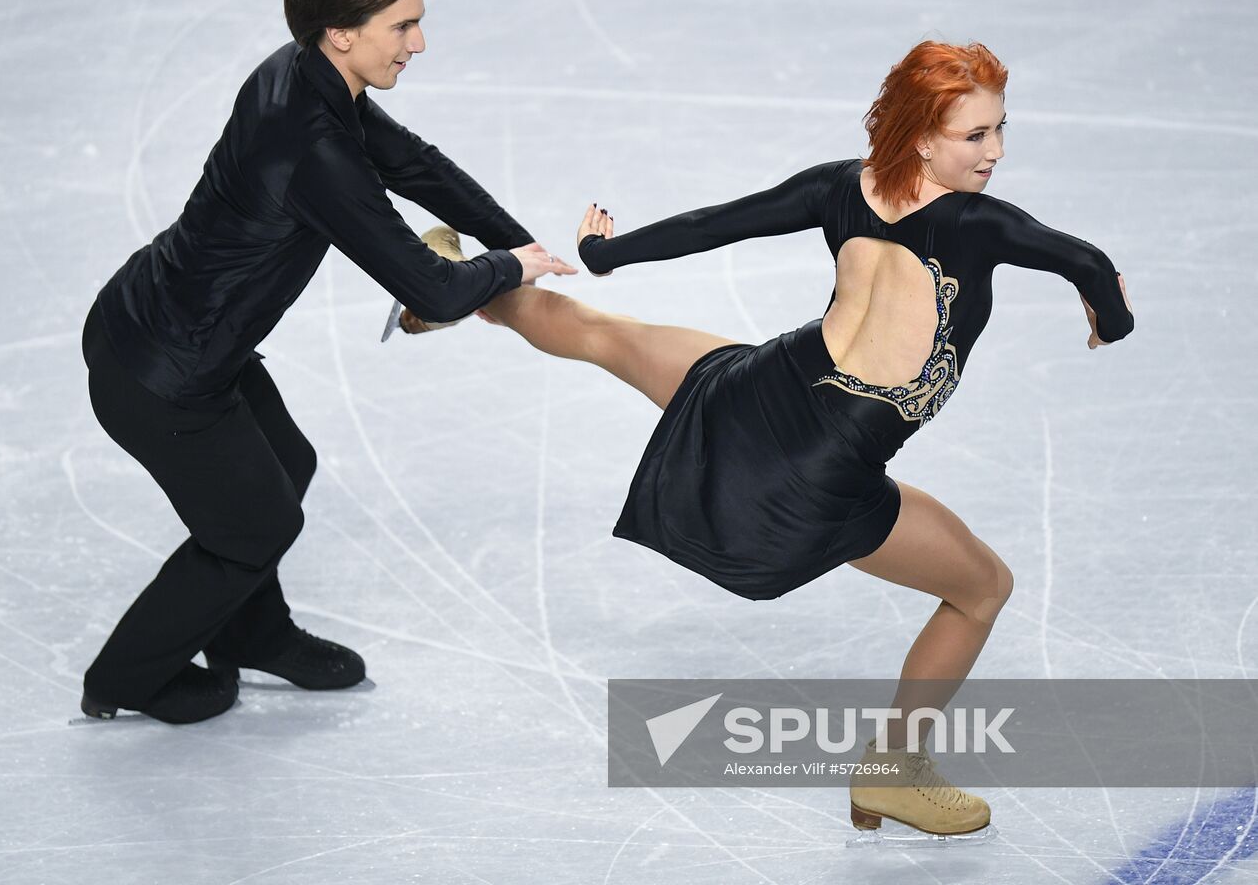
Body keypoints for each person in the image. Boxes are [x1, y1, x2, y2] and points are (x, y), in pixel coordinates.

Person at [408, 40, 1134, 835]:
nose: (995, 151)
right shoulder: (983, 223)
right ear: (924, 137)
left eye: (1000, 130)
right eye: (975, 136)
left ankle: (449, 290)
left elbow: (718, 224)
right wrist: (1112, 319)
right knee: (981, 588)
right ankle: (891, 772)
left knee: (602, 333)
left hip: (758, 390)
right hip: (821, 470)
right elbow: (1091, 264)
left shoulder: (841, 187)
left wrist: (607, 253)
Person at [78, 0, 575, 724]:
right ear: (343, 32)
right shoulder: (311, 145)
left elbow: (415, 164)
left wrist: (520, 242)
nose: (418, 44)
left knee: (284, 468)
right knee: (253, 526)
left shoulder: (306, 74)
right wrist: (509, 269)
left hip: (183, 334)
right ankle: (126, 680)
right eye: (403, 26)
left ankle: (250, 636)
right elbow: (436, 290)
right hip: (163, 373)